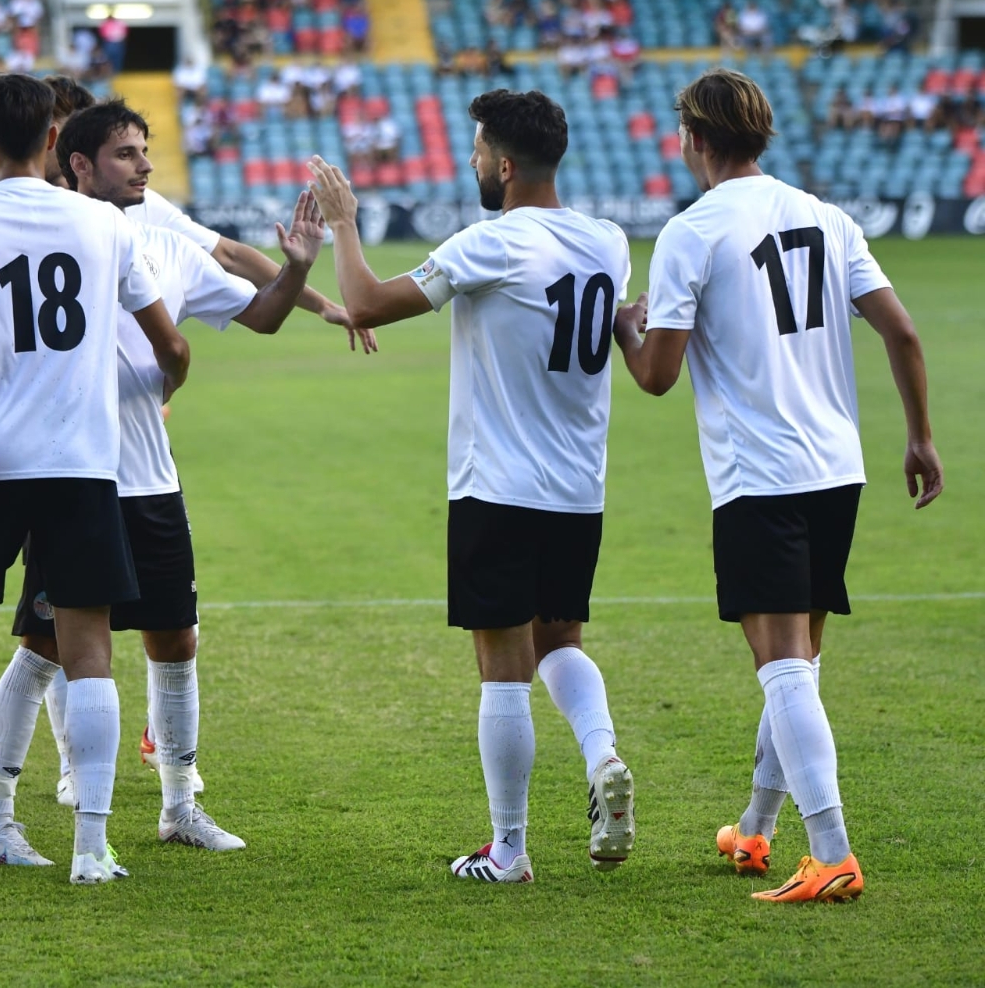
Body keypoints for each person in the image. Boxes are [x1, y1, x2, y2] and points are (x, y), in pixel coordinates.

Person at [0, 100, 322, 864]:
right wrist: (173, 368)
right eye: (126, 154)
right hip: (67, 476)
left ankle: (180, 805)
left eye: (145, 151)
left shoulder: (165, 244)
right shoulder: (50, 232)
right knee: (42, 648)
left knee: (176, 640)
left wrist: (296, 270)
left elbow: (261, 318)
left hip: (148, 479)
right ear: (79, 164)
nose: (145, 165)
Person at [613, 69, 943, 904]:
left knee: (783, 667)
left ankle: (831, 853)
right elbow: (901, 331)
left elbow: (656, 376)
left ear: (694, 139)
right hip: (839, 469)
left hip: (761, 476)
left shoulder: (693, 230)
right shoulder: (829, 219)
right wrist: (921, 438)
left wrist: (627, 324)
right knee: (800, 658)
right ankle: (755, 831)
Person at [305, 90, 638, 883]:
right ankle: (603, 755)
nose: (473, 162)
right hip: (578, 488)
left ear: (508, 164)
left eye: (480, 151)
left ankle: (511, 849)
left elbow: (366, 301)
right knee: (561, 641)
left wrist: (344, 223)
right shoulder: (610, 243)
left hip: (498, 484)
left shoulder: (494, 242)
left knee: (502, 665)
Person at [0, 73, 190, 885]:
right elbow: (168, 346)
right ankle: (92, 847)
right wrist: (156, 395)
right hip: (79, 465)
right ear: (51, 140)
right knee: (90, 652)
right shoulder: (104, 227)